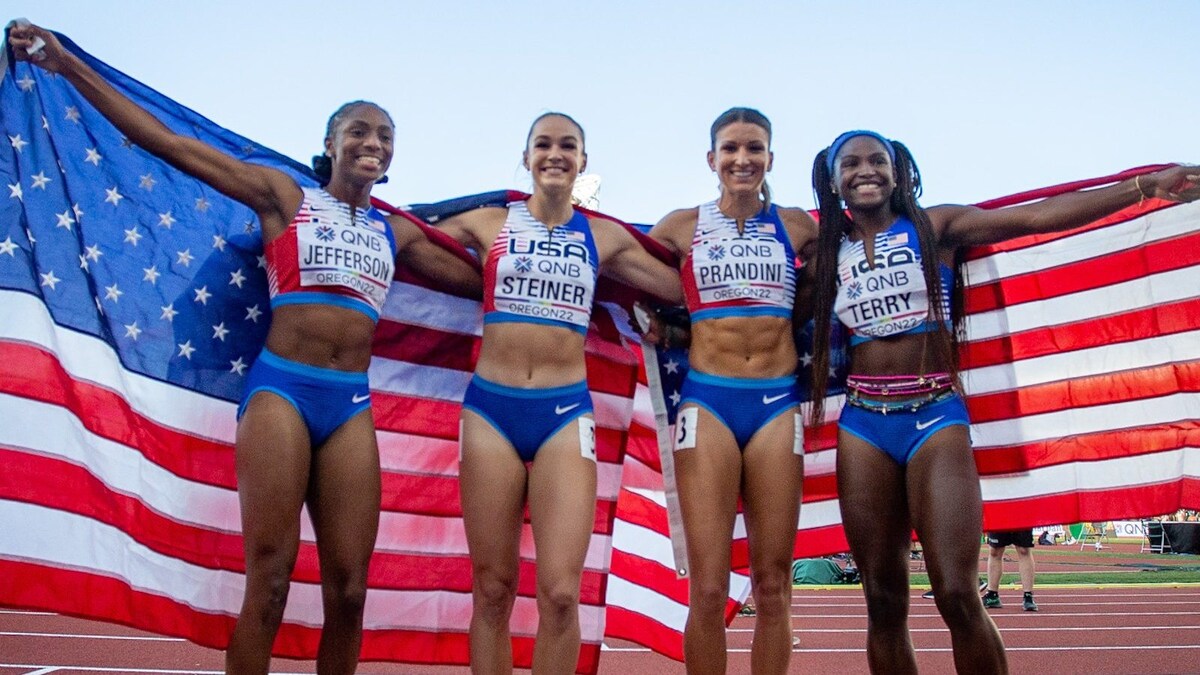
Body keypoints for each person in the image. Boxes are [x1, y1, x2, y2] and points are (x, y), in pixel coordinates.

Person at [9, 24, 481, 674]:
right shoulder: (285, 197)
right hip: (281, 393)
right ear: (331, 143)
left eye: (385, 135)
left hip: (349, 405)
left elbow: (493, 281)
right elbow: (172, 144)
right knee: (272, 580)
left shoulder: (395, 233)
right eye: (359, 130)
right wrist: (66, 66)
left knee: (349, 589)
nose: (372, 141)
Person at [805, 129, 1199, 674]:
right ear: (832, 179)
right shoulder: (828, 256)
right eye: (851, 163)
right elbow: (746, 310)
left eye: (879, 160)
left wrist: (1142, 187)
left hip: (935, 416)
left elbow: (1039, 217)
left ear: (900, 173)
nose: (865, 169)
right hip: (863, 423)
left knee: (956, 594)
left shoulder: (935, 226)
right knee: (882, 601)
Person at [434, 112, 683, 674]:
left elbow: (684, 287)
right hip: (491, 411)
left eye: (568, 145)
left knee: (561, 594)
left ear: (583, 162)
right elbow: (400, 248)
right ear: (525, 159)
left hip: (566, 414)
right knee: (493, 589)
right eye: (543, 144)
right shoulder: (487, 223)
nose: (555, 154)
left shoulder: (604, 235)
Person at [646, 107, 818, 675]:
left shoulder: (796, 227)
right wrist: (668, 327)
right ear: (711, 158)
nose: (742, 159)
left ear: (770, 157)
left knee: (774, 584)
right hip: (707, 402)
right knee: (710, 588)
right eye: (730, 149)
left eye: (754, 148)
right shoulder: (680, 225)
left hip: (775, 403)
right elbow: (627, 277)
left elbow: (834, 286)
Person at [984, 530, 1038, 611]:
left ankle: (1028, 596)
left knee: (1024, 550)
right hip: (999, 518)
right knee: (995, 550)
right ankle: (992, 595)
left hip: (1021, 517)